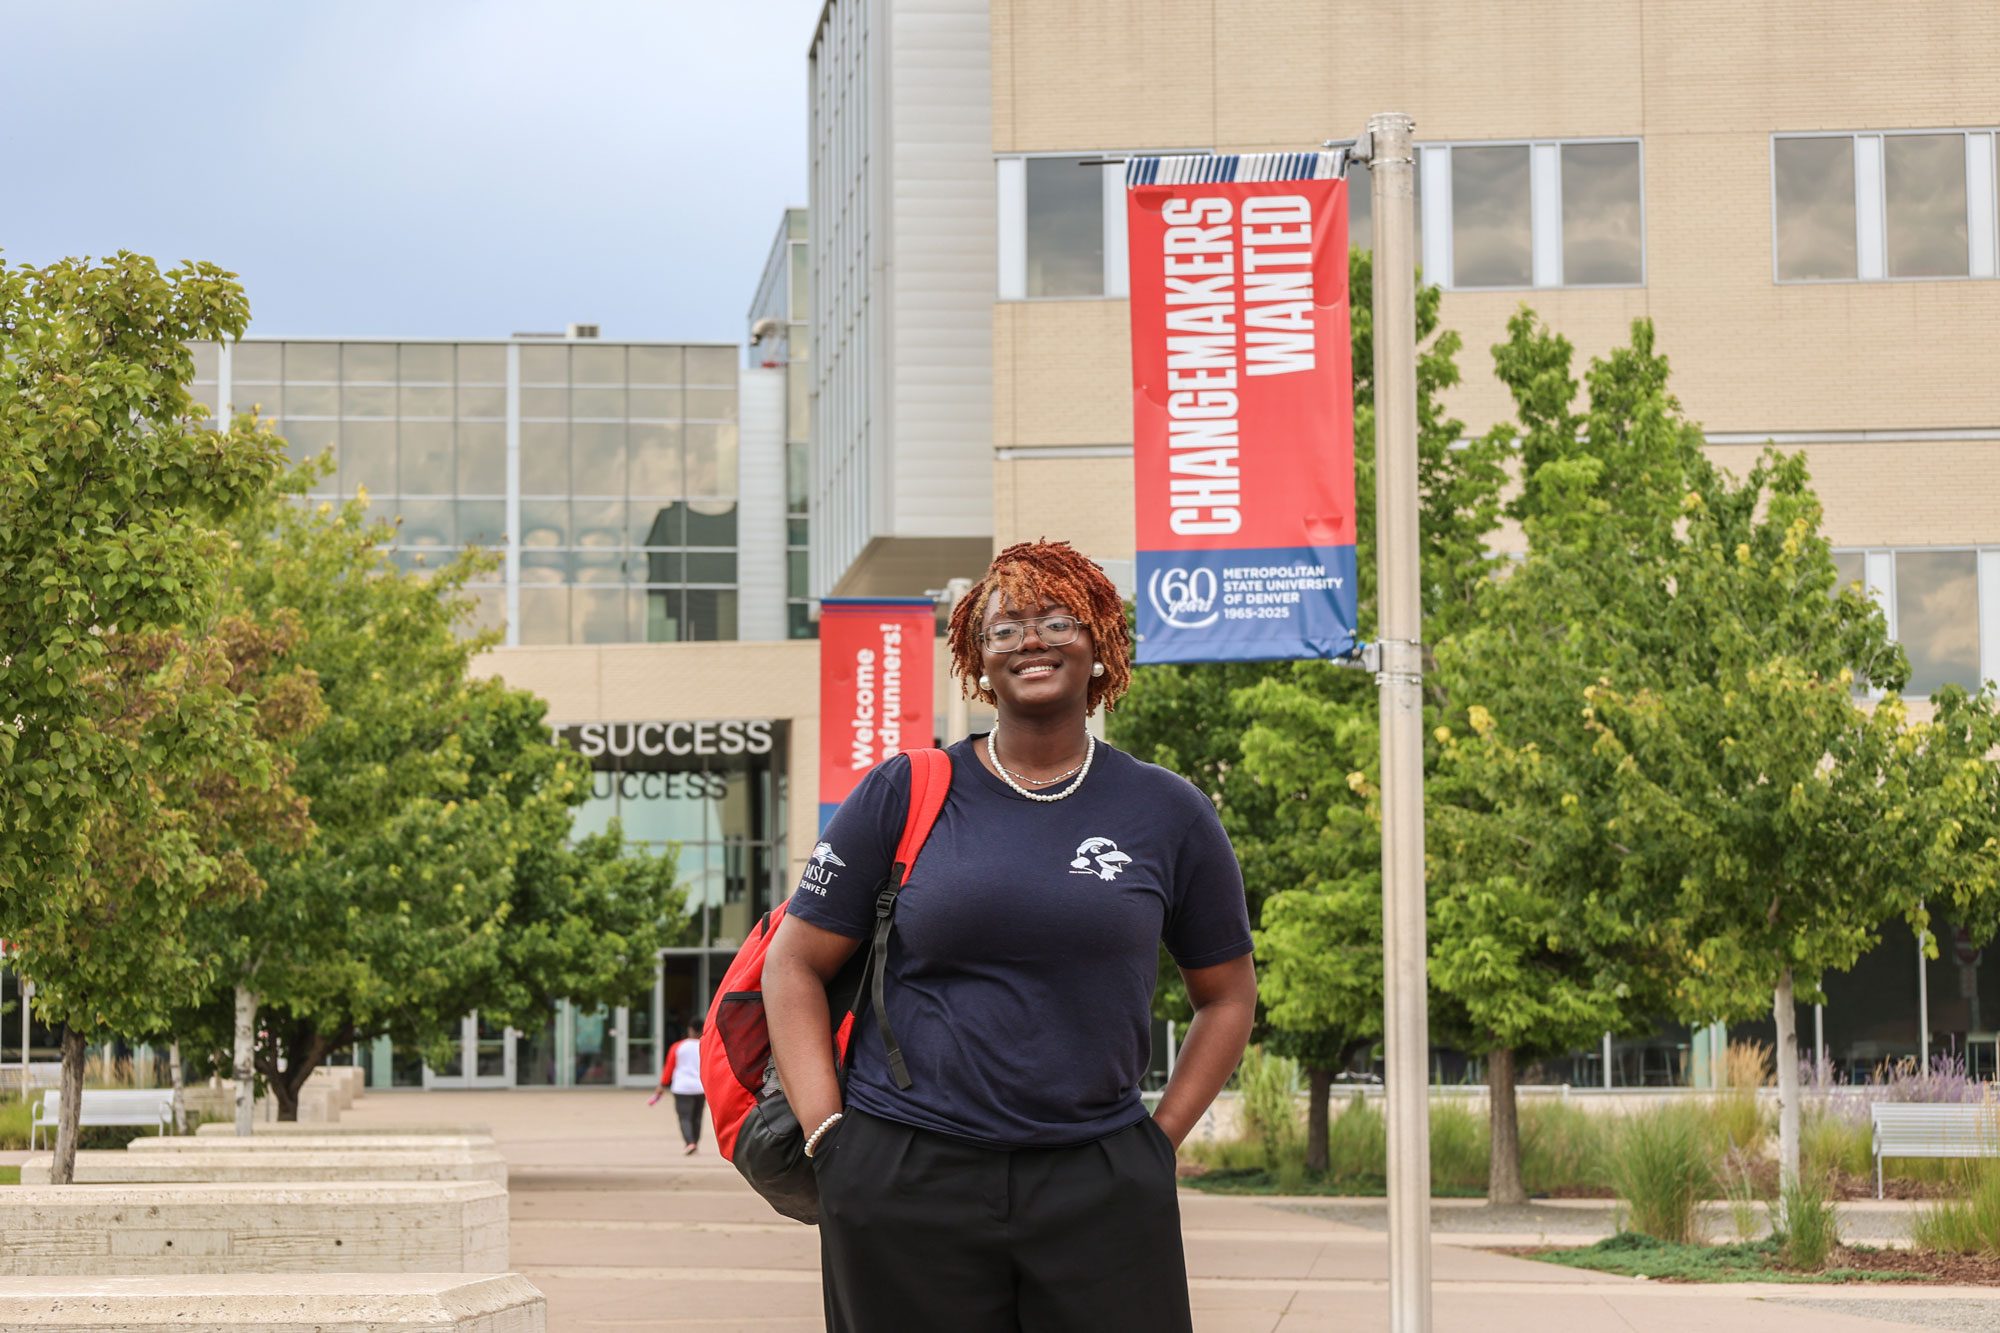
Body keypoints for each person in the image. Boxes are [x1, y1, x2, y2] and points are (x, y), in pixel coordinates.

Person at [765, 539, 1257, 1333]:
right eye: (1005, 628)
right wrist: (831, 1139)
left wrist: (1154, 1145)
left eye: (1058, 620)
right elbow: (792, 963)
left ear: (1100, 644)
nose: (1031, 639)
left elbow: (1228, 994)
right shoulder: (905, 791)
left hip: (1099, 1180)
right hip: (908, 1174)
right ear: (976, 660)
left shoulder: (1169, 812)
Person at [650, 1020, 705, 1154]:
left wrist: (662, 1085)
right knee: (697, 1117)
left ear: (690, 1030)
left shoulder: (678, 1046)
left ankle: (689, 1142)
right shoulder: (706, 1047)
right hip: (700, 1087)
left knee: (685, 1117)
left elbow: (669, 1067)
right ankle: (695, 1142)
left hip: (682, 1087)